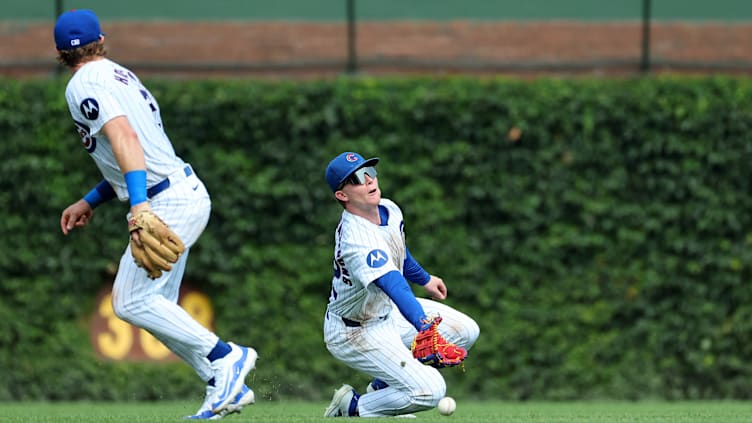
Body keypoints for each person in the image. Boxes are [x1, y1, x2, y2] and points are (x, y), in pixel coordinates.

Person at [54, 9, 257, 420]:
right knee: (157, 305)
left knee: (129, 301)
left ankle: (226, 357)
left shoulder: (81, 84)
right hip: (178, 189)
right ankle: (223, 384)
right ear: (102, 40)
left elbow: (125, 139)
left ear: (60, 53)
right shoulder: (119, 75)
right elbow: (131, 152)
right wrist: (90, 201)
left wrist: (140, 205)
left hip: (167, 200)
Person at [322, 152, 480, 418]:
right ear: (342, 196)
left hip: (386, 313)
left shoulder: (389, 209)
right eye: (357, 178)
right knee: (431, 391)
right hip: (355, 330)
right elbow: (394, 285)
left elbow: (400, 254)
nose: (369, 180)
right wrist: (423, 327)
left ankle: (382, 388)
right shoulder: (356, 238)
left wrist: (425, 279)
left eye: (370, 172)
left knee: (466, 331)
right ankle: (352, 406)